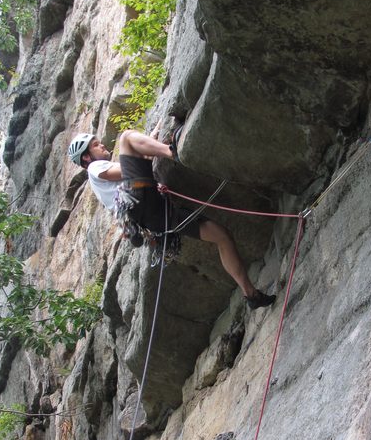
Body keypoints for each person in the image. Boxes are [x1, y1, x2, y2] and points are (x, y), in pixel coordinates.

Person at [67, 126, 275, 309]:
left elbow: (138, 170)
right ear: (86, 157)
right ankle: (171, 151)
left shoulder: (100, 178)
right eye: (95, 145)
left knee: (222, 236)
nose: (102, 145)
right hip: (141, 203)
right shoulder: (94, 168)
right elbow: (125, 172)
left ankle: (251, 295)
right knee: (127, 137)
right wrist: (153, 148)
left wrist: (148, 144)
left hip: (155, 216)